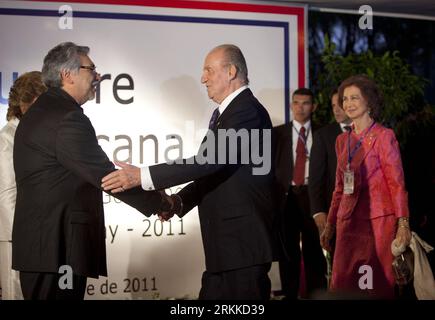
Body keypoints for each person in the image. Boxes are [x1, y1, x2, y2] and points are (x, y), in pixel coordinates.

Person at [102, 44, 276, 300]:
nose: (203, 78)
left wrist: (143, 176)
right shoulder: (225, 114)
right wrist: (179, 202)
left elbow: (208, 161)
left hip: (243, 247)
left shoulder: (246, 111)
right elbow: (214, 171)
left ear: (230, 71)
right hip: (225, 248)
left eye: (208, 70)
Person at [12, 42, 172, 300]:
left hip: (45, 250)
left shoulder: (44, 111)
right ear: (67, 74)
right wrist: (160, 203)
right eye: (91, 69)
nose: (98, 76)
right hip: (57, 250)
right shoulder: (65, 117)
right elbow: (106, 177)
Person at [320, 75, 412, 299]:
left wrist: (403, 223)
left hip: (377, 224)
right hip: (347, 224)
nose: (348, 103)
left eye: (354, 98)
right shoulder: (342, 141)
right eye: (345, 99)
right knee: (343, 286)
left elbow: (396, 183)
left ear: (369, 102)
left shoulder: (384, 136)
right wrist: (330, 224)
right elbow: (339, 189)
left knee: (374, 286)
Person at [273, 88, 327, 299]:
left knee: (314, 251)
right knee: (288, 252)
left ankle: (317, 295)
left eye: (305, 103)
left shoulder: (323, 133)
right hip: (286, 197)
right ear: (290, 105)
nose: (300, 107)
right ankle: (289, 295)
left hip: (313, 196)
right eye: (296, 102)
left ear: (313, 107)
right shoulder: (278, 134)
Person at [0, 72, 47, 300]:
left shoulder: (29, 134)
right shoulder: (7, 138)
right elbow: (7, 196)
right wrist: (25, 236)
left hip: (32, 236)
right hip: (15, 237)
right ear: (26, 103)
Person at [309, 90, 352, 236]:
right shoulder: (323, 135)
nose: (336, 109)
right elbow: (315, 178)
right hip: (335, 212)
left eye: (340, 104)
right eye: (333, 105)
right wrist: (318, 211)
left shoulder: (370, 133)